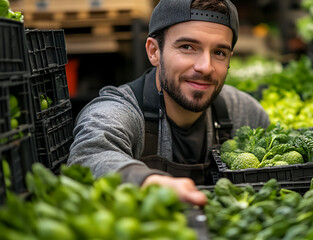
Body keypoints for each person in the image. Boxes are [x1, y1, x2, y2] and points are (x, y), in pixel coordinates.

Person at [68, 0, 270, 206]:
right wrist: (149, 183)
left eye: (219, 53)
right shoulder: (121, 111)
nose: (205, 67)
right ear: (154, 51)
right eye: (188, 47)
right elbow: (89, 155)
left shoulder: (244, 113)